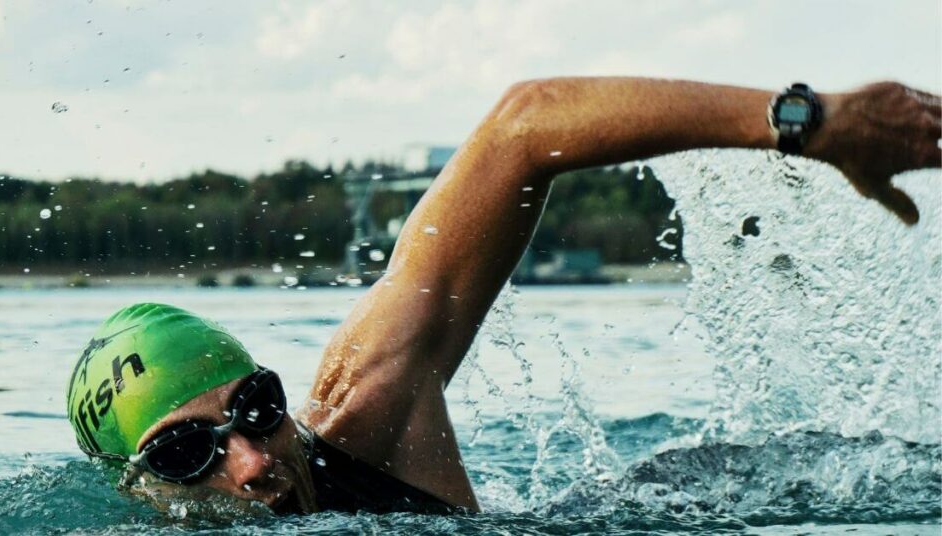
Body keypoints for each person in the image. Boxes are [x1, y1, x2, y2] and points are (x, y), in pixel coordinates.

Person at [66, 77, 941, 515]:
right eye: (187, 455)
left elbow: (522, 127)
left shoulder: (366, 412)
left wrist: (807, 123)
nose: (252, 463)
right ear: (138, 488)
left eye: (255, 409)